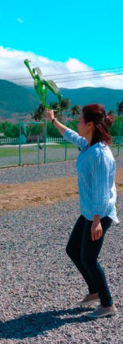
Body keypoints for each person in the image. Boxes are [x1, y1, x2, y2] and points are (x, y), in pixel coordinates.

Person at [46, 104, 118, 318]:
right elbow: (71, 135)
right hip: (90, 212)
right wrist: (52, 120)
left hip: (99, 213)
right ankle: (94, 291)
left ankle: (107, 304)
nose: (77, 123)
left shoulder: (99, 154)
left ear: (89, 125)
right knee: (73, 250)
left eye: (79, 120)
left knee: (89, 258)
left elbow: (101, 190)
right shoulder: (88, 145)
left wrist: (97, 220)